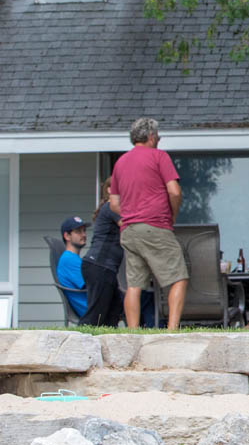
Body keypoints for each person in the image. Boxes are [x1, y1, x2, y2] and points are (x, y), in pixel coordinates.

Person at [109, 118, 189, 330]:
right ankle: (172, 330)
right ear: (152, 136)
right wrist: (172, 215)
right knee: (179, 278)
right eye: (158, 138)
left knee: (134, 285)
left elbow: (114, 203)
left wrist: (131, 212)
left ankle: (133, 333)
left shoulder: (120, 163)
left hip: (129, 231)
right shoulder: (159, 157)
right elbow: (175, 191)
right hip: (155, 226)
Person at [80, 179, 124, 326]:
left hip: (104, 267)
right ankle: (78, 341)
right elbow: (128, 226)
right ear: (110, 190)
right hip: (100, 265)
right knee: (96, 314)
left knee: (115, 308)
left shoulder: (112, 208)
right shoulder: (111, 207)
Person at [55, 216, 89, 318]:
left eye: (84, 231)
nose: (83, 235)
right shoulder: (69, 259)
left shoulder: (74, 258)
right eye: (78, 231)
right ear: (67, 236)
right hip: (90, 311)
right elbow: (91, 286)